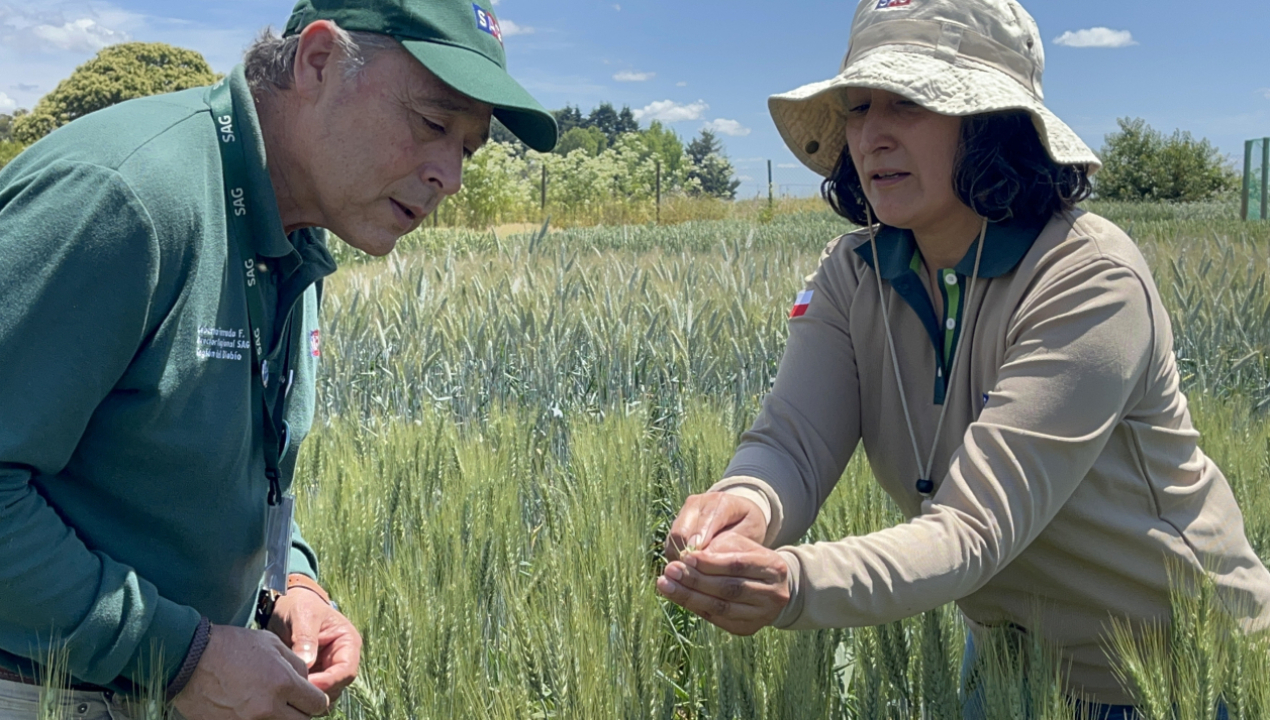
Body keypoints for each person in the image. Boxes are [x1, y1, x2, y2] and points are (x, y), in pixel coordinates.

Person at [657, 0, 1270, 716]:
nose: (872, 135)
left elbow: (975, 529)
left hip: (1181, 680)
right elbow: (792, 440)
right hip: (1009, 665)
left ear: (990, 129)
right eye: (857, 108)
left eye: (910, 104)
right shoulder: (853, 273)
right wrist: (745, 503)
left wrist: (791, 583)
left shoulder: (1087, 279)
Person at [0, 0, 555, 717]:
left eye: (469, 149)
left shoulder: (290, 240)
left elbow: (222, 477)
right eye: (432, 123)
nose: (449, 175)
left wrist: (290, 583)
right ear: (318, 60)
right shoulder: (128, 200)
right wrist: (179, 655)